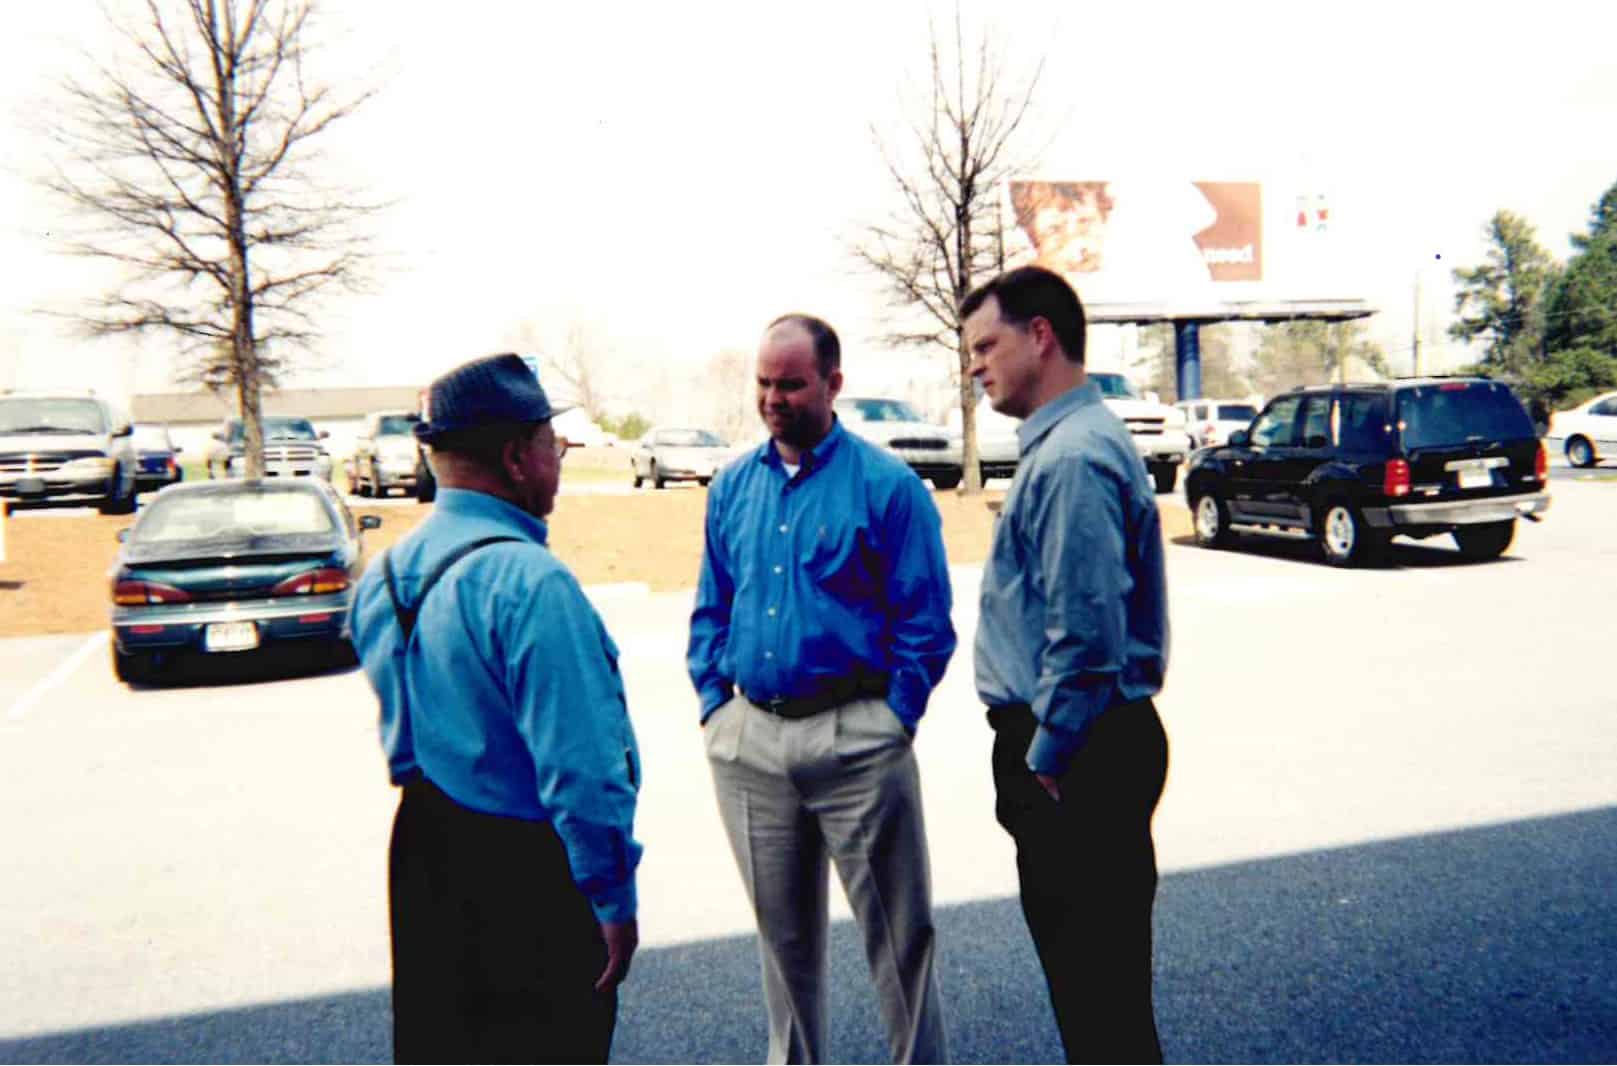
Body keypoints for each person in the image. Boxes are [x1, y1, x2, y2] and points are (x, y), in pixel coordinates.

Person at [349, 353, 642, 1064]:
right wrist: (611, 898)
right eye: (554, 444)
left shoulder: (383, 573)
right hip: (525, 870)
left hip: (422, 850)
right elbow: (582, 771)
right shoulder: (530, 582)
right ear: (516, 457)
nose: (559, 460)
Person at [687, 313, 957, 1065]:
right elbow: (713, 603)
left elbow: (924, 621)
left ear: (832, 383)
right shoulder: (733, 487)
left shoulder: (887, 488)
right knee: (783, 945)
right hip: (751, 741)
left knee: (899, 943)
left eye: (791, 384)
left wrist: (893, 718)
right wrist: (715, 706)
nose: (773, 399)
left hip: (857, 741)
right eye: (763, 383)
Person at [960, 266, 1171, 1064]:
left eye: (986, 345)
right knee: (1101, 1000)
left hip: (1076, 755)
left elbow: (1085, 634)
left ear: (1039, 336)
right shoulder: (1070, 443)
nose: (975, 364)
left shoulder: (1074, 457)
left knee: (1100, 1008)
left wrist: (1045, 760)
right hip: (1083, 747)